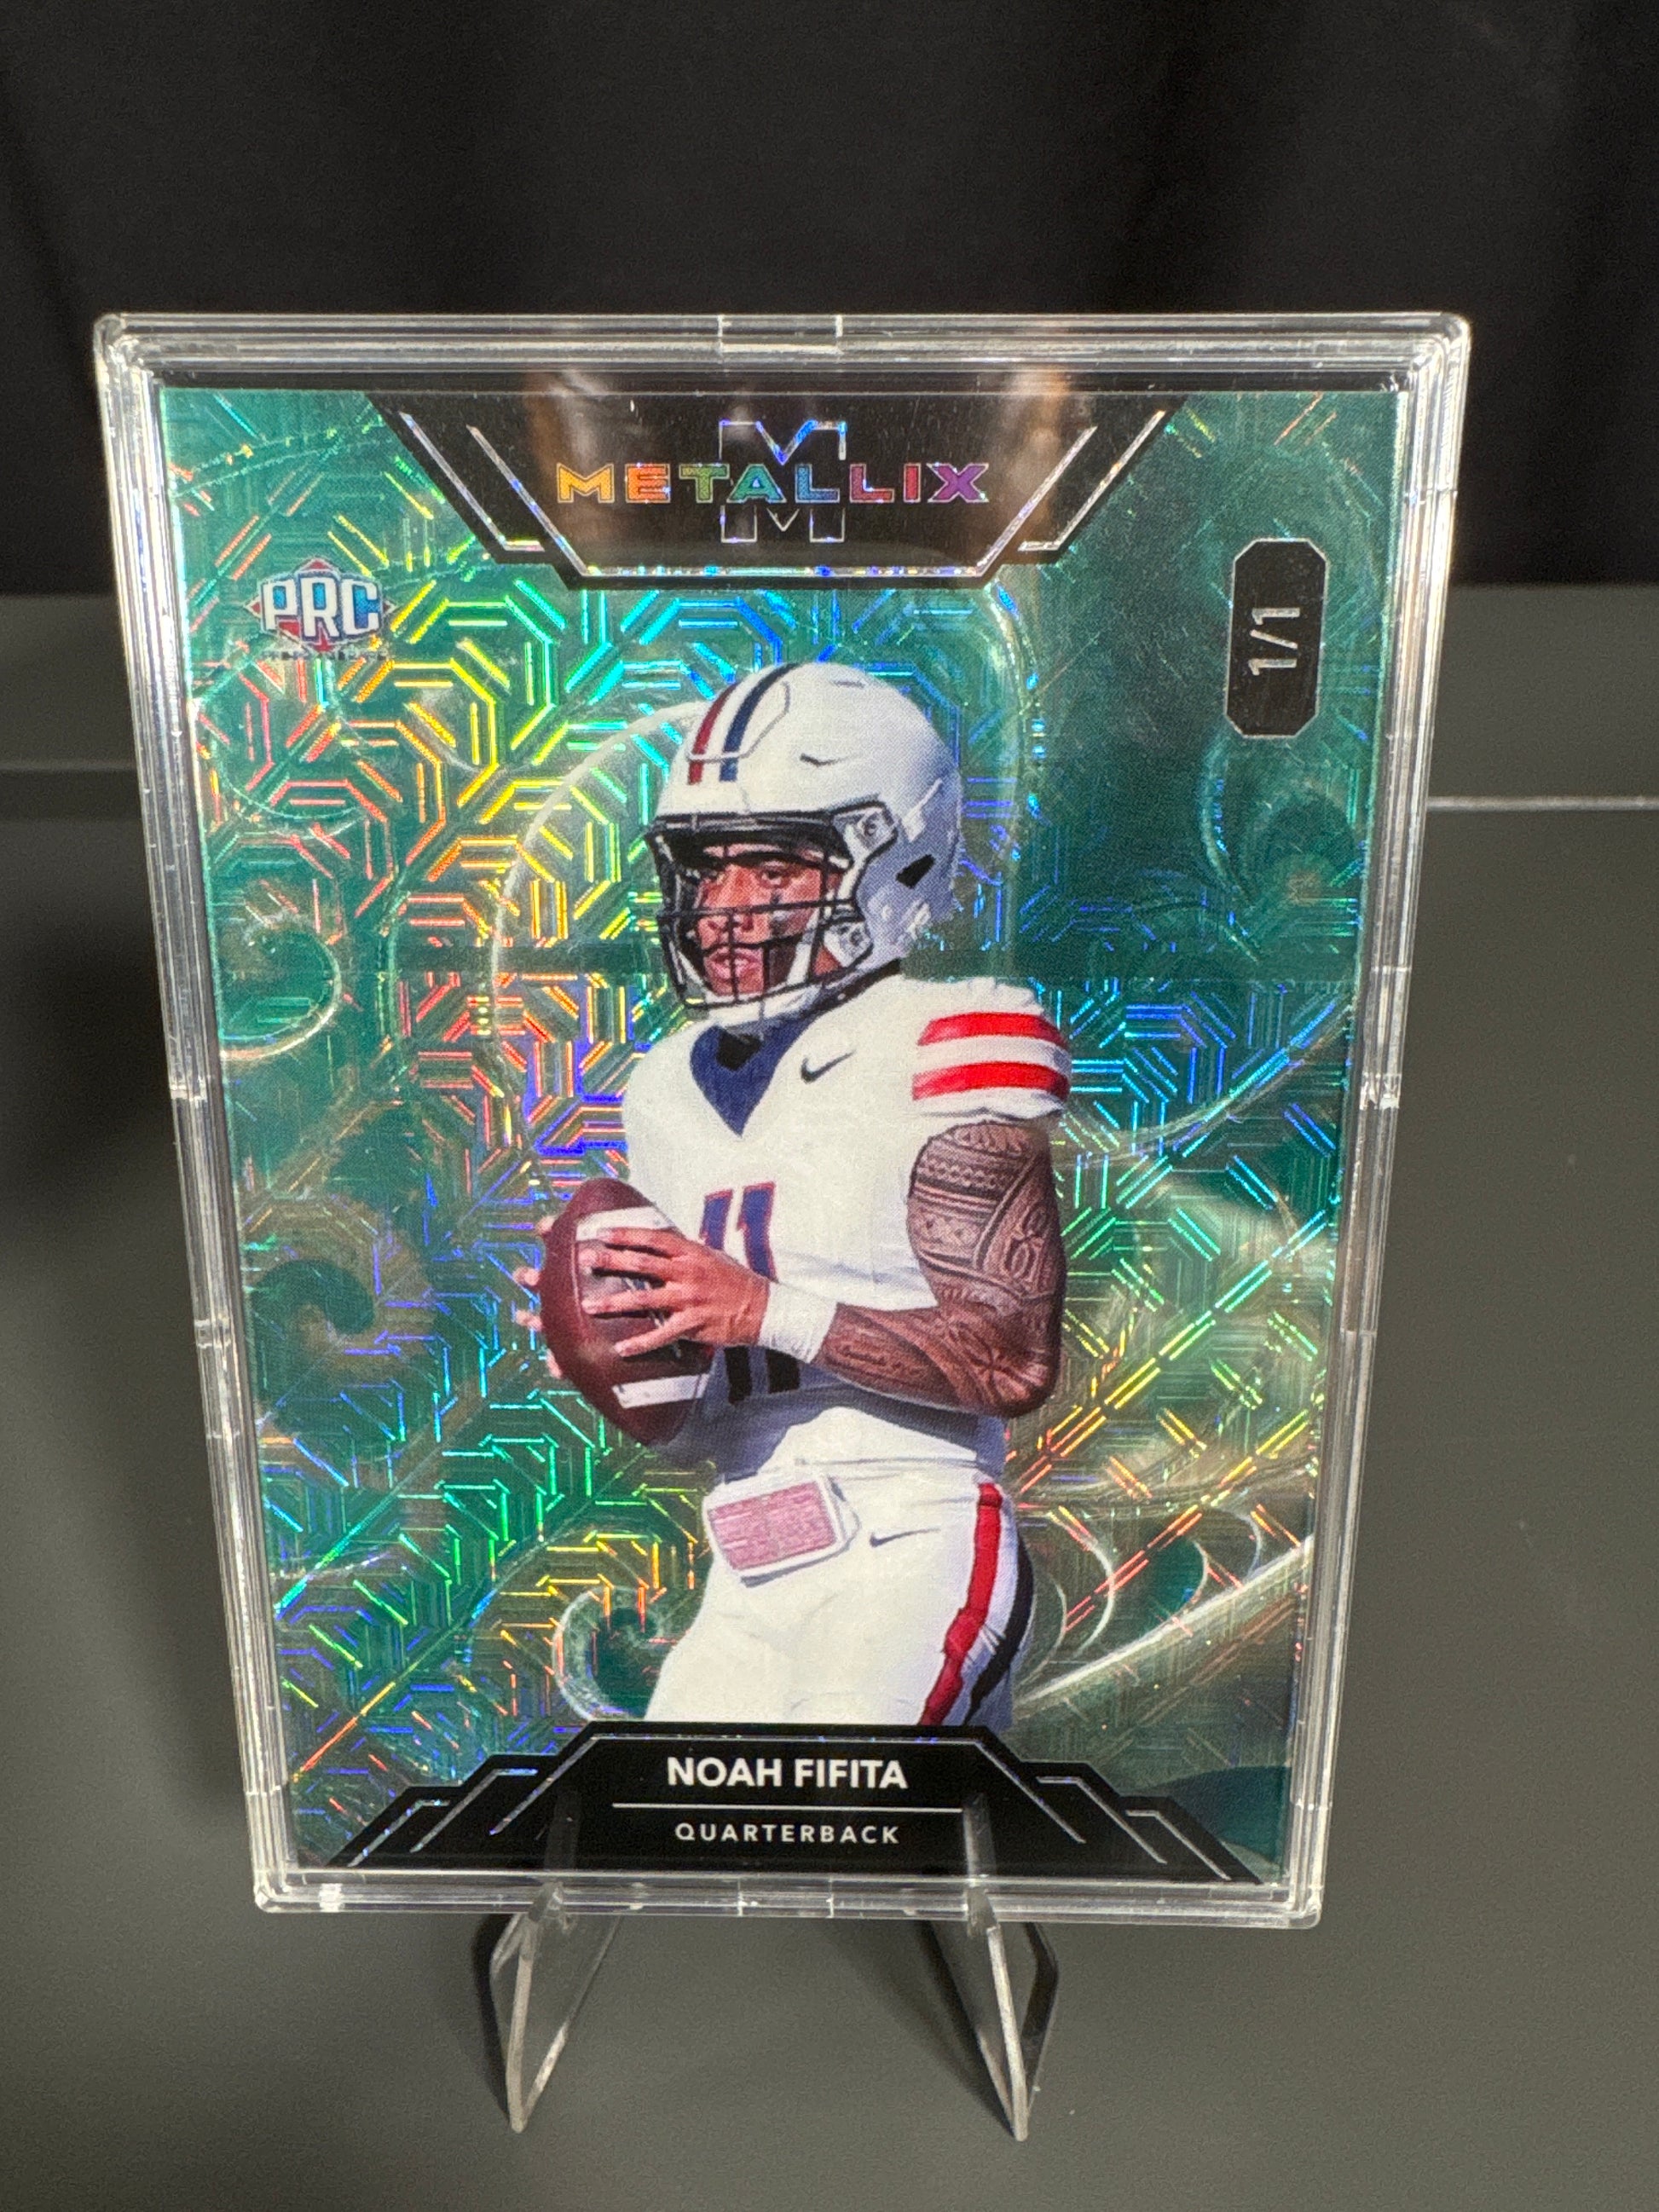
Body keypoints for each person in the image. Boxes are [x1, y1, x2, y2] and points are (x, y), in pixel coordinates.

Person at [521, 661, 1067, 1728]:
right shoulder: (664, 1087)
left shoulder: (946, 1037)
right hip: (744, 1559)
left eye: (770, 868)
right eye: (702, 870)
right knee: (677, 1818)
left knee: (847, 1792)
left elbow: (1010, 1360)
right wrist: (626, 1351)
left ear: (899, 858)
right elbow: (699, 1433)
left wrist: (759, 1308)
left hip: (910, 1534)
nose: (721, 910)